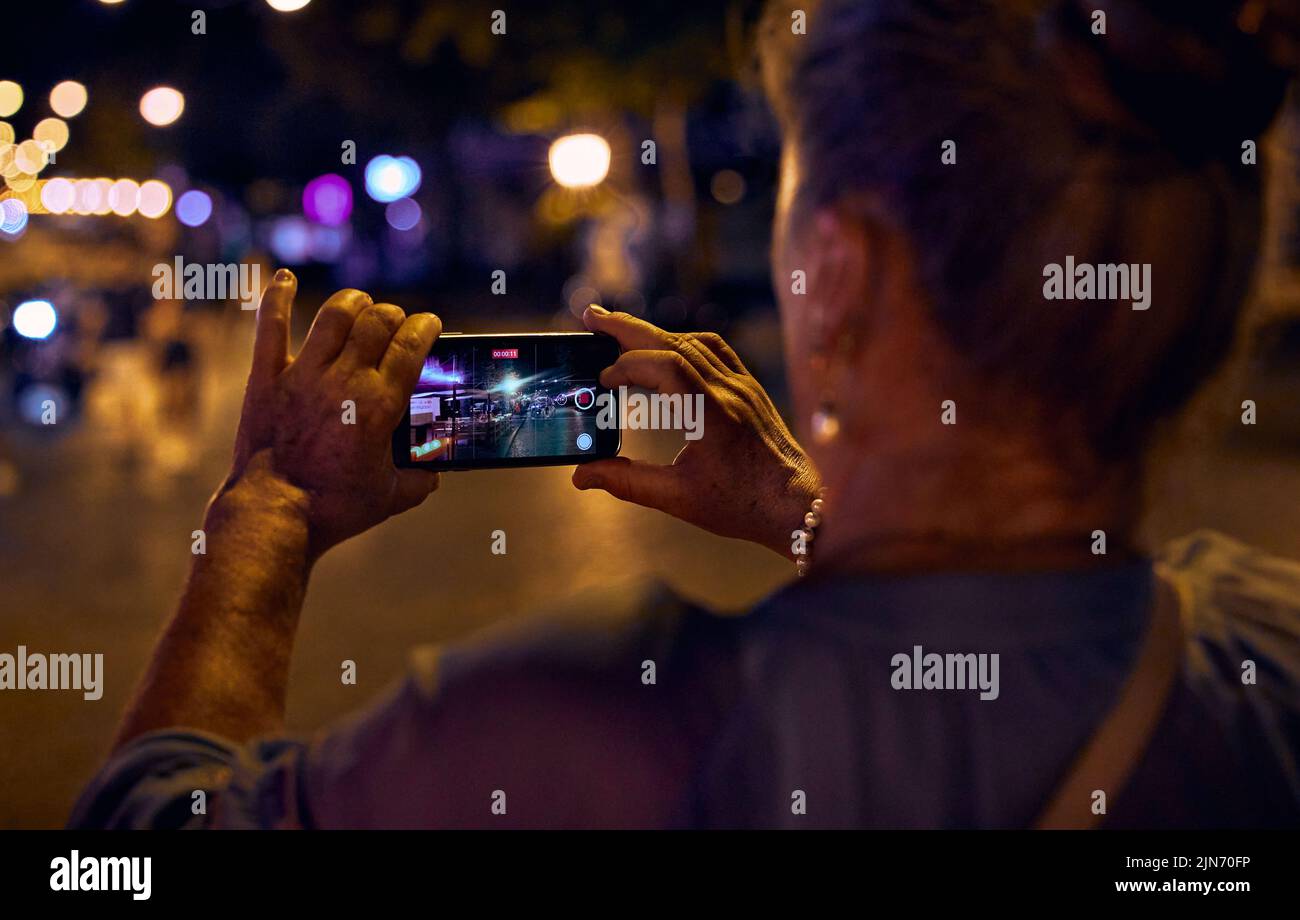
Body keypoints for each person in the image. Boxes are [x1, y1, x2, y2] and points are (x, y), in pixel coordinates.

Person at [72, 0, 1300, 829]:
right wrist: (815, 518)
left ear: (848, 275)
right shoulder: (1267, 648)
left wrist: (268, 510)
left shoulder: (590, 728)